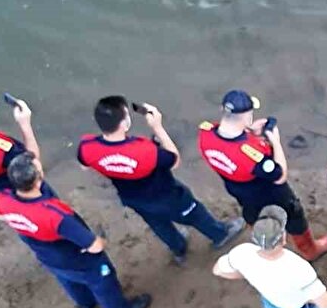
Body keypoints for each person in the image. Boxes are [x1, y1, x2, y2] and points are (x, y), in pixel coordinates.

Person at [0, 153, 151, 308]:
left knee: (68, 279)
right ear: (37, 180)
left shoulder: (0, 199)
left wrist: (12, 216)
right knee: (102, 281)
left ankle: (86, 305)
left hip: (46, 255)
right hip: (76, 256)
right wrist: (102, 240)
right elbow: (95, 246)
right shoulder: (55, 215)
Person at [78, 96, 241, 263]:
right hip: (166, 195)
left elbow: (85, 166)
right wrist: (158, 128)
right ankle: (220, 235)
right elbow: (174, 160)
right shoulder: (145, 152)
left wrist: (113, 167)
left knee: (159, 225)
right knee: (195, 213)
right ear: (124, 124)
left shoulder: (87, 147)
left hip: (133, 198)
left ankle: (179, 250)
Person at [197, 89, 327, 262]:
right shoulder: (248, 153)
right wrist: (274, 141)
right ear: (246, 117)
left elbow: (228, 146)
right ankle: (309, 250)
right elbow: (279, 175)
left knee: (253, 215)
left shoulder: (206, 133)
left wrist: (250, 134)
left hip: (236, 188)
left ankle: (263, 240)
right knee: (293, 214)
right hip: (266, 190)